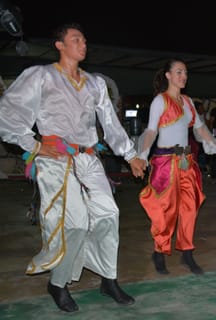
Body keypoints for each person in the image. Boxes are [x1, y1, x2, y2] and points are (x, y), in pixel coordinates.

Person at [0, 23, 146, 312]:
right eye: (75, 39)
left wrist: (130, 155)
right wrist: (36, 145)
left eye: (84, 40)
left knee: (109, 214)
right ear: (60, 45)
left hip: (89, 157)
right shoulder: (40, 76)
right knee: (76, 223)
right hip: (55, 159)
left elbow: (110, 124)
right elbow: (7, 113)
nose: (83, 44)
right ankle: (58, 283)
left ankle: (108, 278)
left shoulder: (95, 83)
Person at [137, 58, 216, 275]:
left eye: (185, 73)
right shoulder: (160, 101)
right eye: (179, 72)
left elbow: (201, 129)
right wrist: (142, 155)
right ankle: (159, 251)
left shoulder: (188, 101)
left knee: (190, 207)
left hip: (186, 163)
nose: (183, 76)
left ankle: (187, 252)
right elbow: (151, 131)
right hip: (164, 163)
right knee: (166, 210)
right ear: (168, 75)